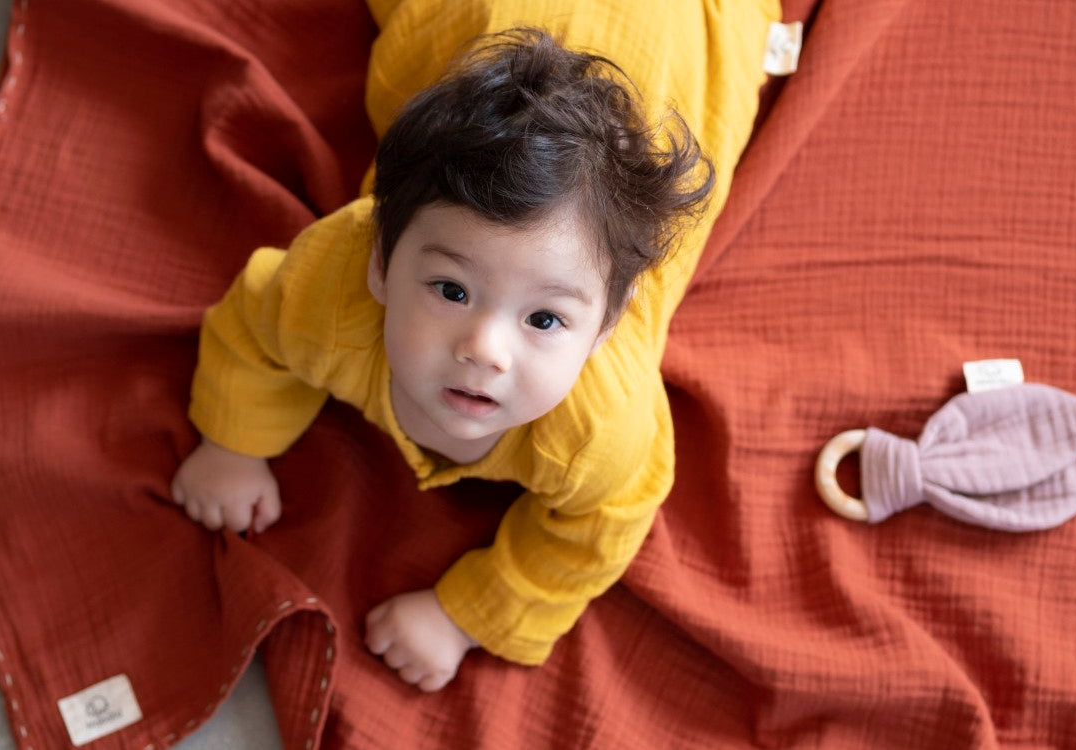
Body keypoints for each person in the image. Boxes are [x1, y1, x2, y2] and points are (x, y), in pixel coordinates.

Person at [171, 0, 777, 692]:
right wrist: (232, 448)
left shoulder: (598, 429)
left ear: (606, 326)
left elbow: (601, 528)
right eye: (452, 291)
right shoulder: (330, 287)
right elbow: (254, 323)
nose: (485, 349)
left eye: (545, 320)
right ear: (380, 260)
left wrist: (463, 616)